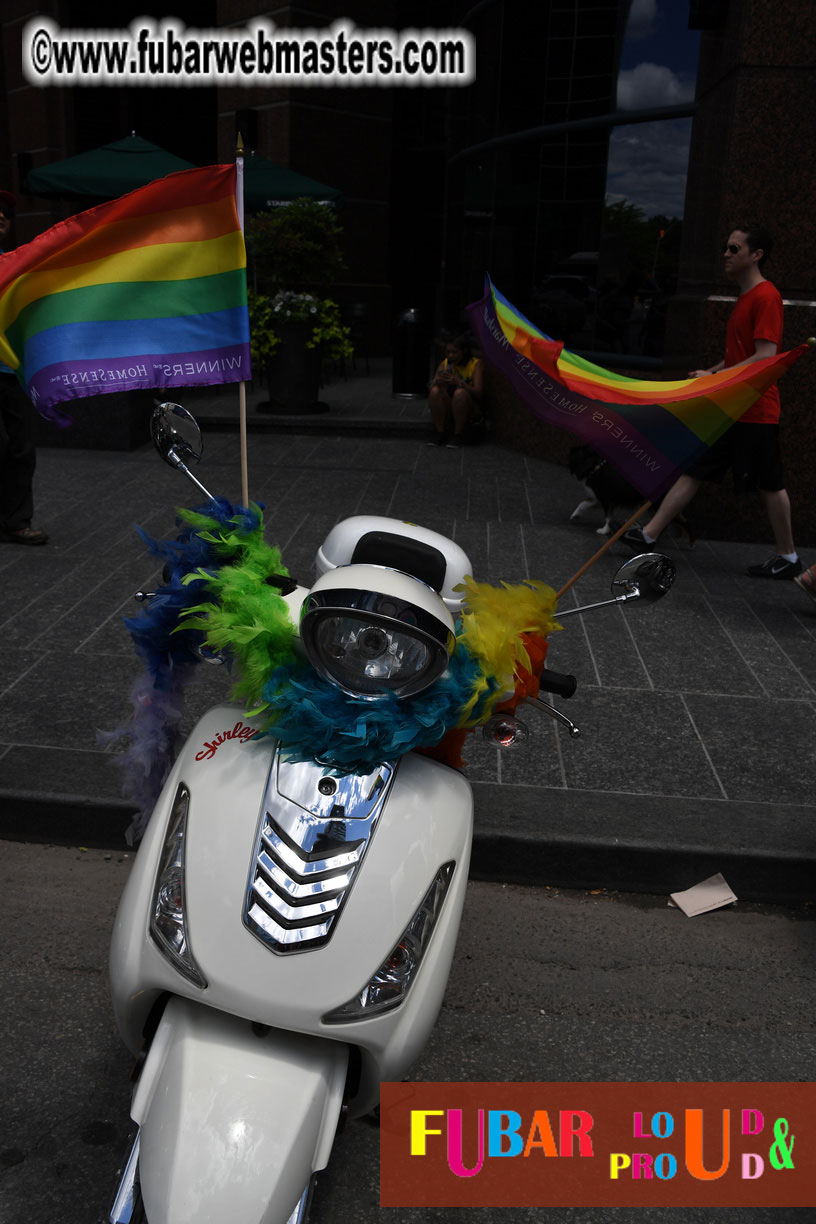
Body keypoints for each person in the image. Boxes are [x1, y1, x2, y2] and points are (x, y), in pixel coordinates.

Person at [622, 224, 800, 578]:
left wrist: (715, 378)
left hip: (756, 412)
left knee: (770, 483)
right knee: (696, 468)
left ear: (756, 255)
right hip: (733, 408)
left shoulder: (766, 297)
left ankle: (789, 557)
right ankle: (648, 535)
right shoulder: (747, 297)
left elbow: (766, 357)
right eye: (726, 248)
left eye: (734, 249)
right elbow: (741, 358)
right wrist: (714, 370)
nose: (726, 255)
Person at [0, 189, 47, 545]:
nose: (1, 216)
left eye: (5, 212)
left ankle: (16, 521)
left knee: (20, 447)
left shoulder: (15, 263)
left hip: (10, 371)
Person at [427, 333, 484, 448]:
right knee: (435, 391)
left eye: (454, 352)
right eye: (448, 352)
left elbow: (479, 393)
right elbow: (430, 389)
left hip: (470, 406)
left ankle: (458, 435)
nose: (451, 355)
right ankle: (440, 432)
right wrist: (436, 381)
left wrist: (459, 383)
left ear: (463, 351)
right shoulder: (445, 363)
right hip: (449, 403)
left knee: (460, 393)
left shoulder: (475, 364)